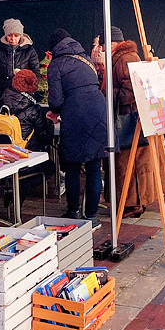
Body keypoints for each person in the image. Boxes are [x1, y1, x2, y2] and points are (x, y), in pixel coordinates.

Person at [45, 28, 108, 224]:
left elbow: (55, 101)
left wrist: (55, 111)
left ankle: (73, 212)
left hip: (75, 114)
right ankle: (91, 216)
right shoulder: (86, 59)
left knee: (72, 166)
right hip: (98, 110)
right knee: (94, 166)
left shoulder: (56, 64)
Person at [97, 26, 151, 218]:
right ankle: (136, 202)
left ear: (112, 43)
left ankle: (132, 204)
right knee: (132, 161)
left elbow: (131, 90)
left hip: (127, 118)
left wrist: (108, 94)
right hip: (131, 117)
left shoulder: (125, 59)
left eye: (103, 45)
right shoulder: (125, 57)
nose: (102, 49)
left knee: (126, 162)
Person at [0, 69, 48, 152]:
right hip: (26, 153)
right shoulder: (34, 110)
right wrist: (50, 123)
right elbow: (44, 138)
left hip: (0, 152)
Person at [0, 18, 40, 103]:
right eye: (10, 35)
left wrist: (26, 82)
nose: (13, 39)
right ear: (5, 35)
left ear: (21, 36)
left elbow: (35, 73)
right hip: (1, 94)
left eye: (16, 35)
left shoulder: (30, 51)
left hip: (23, 95)